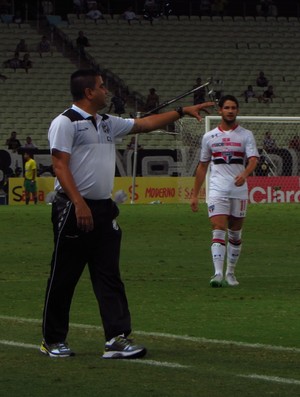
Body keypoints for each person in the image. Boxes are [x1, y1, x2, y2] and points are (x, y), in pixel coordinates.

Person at [40, 68, 214, 358]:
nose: (106, 90)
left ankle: (117, 338)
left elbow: (144, 124)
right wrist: (79, 203)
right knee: (64, 276)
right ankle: (53, 339)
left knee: (109, 275)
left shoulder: (107, 122)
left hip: (104, 209)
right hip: (73, 207)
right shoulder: (65, 123)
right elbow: (60, 165)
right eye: (101, 86)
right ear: (89, 93)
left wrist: (181, 111)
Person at [190, 95, 259, 287]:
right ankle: (217, 273)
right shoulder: (209, 137)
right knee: (218, 229)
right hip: (217, 190)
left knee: (235, 234)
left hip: (239, 191)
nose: (230, 111)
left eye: (234, 108)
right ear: (220, 111)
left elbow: (253, 160)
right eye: (227, 107)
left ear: (237, 111)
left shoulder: (246, 135)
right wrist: (195, 194)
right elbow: (202, 166)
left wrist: (244, 174)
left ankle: (230, 273)